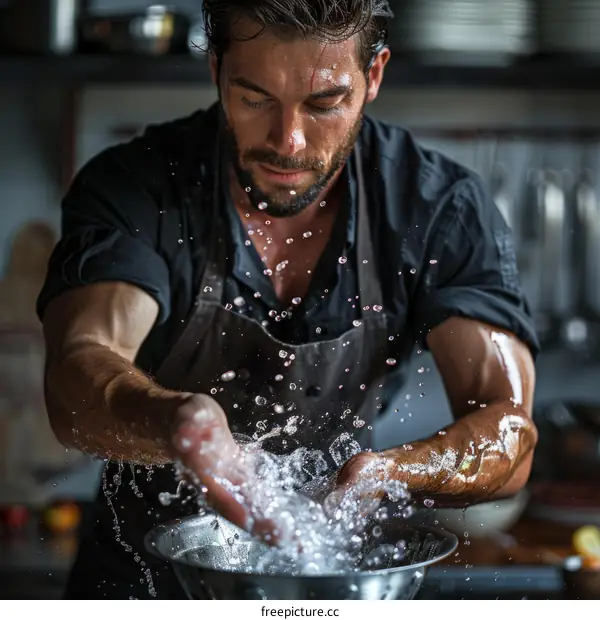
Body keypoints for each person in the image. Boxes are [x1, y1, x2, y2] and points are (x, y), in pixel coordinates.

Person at [37, 0, 540, 600]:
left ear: (373, 76)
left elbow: (511, 436)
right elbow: (77, 373)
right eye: (255, 100)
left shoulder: (435, 209)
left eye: (324, 103)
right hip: (137, 584)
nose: (288, 141)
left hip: (328, 586)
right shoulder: (138, 188)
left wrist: (391, 473)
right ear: (217, 69)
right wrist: (179, 427)